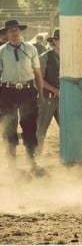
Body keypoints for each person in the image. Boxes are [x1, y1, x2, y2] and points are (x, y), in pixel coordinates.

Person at [0, 19, 44, 172]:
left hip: (28, 91)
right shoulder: (1, 51)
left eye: (16, 30)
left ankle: (31, 159)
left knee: (29, 125)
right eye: (11, 30)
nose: (14, 32)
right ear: (6, 33)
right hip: (7, 91)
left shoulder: (31, 49)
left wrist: (41, 93)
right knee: (9, 126)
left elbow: (37, 73)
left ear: (20, 31)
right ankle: (11, 161)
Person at [36, 28, 61, 156]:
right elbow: (39, 80)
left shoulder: (70, 58)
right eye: (61, 40)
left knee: (67, 128)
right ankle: (35, 157)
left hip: (64, 100)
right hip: (47, 99)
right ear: (54, 41)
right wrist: (55, 90)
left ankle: (68, 157)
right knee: (41, 129)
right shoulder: (44, 57)